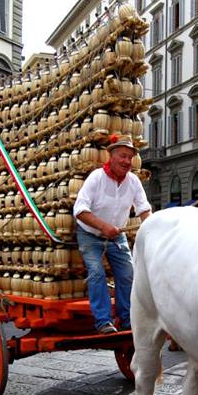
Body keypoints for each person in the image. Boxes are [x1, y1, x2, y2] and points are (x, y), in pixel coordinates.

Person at [72, 135, 152, 334]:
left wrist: (152, 229)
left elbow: (144, 209)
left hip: (116, 236)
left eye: (130, 157)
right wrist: (102, 226)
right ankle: (103, 322)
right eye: (122, 156)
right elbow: (79, 210)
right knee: (96, 272)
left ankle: (126, 319)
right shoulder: (97, 177)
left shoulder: (133, 181)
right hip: (90, 234)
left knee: (127, 274)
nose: (126, 161)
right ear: (111, 156)